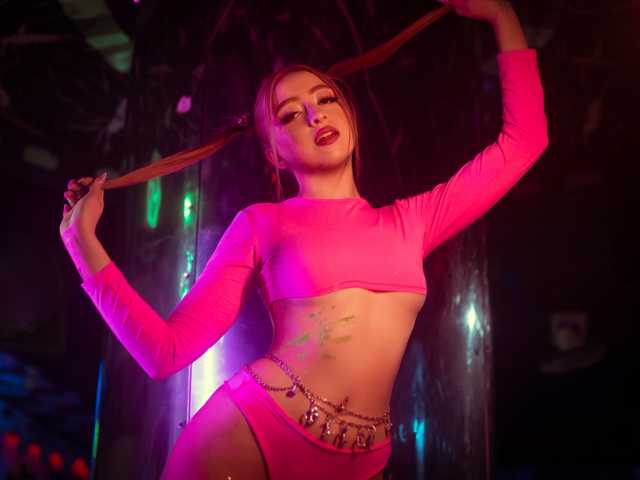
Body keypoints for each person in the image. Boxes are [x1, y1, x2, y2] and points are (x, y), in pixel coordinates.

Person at [59, 1, 548, 478]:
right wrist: (84, 246)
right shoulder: (261, 225)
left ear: (349, 116)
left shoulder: (413, 220)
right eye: (291, 114)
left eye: (326, 99)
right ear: (273, 153)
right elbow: (165, 352)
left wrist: (501, 15)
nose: (315, 115)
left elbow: (525, 141)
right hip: (248, 440)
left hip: (365, 463)